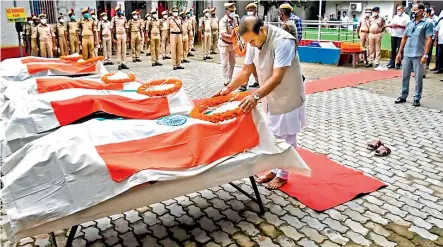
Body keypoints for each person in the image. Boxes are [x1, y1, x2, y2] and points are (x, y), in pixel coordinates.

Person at [214, 16, 306, 189]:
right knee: (273, 134)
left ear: (262, 30)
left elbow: (278, 77)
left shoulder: (283, 41)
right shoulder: (253, 41)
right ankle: (276, 169)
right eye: (248, 42)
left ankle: (284, 174)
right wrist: (228, 89)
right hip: (269, 94)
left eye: (252, 41)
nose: (251, 45)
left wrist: (255, 96)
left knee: (287, 136)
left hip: (288, 95)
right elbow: (246, 71)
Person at [395, 3, 433, 107]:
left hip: (418, 54)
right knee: (405, 76)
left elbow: (429, 39)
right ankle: (403, 95)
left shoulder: (427, 23)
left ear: (421, 11)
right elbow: (404, 38)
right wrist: (399, 52)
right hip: (407, 53)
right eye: (413, 9)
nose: (413, 12)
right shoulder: (410, 23)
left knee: (418, 78)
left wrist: (425, 55)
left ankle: (417, 98)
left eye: (415, 10)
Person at [218, 3, 238, 88]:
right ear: (227, 12)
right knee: (225, 63)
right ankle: (225, 79)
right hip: (224, 44)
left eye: (233, 11)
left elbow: (238, 29)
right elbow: (223, 34)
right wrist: (232, 36)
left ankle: (230, 78)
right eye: (231, 11)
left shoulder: (235, 19)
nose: (233, 12)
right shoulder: (223, 21)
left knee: (233, 62)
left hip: (232, 44)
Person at [387, 5, 409, 69]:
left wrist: (399, 25)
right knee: (393, 50)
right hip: (394, 34)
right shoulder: (395, 16)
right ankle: (391, 63)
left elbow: (407, 26)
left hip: (401, 36)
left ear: (403, 9)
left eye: (399, 9)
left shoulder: (406, 17)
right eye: (397, 10)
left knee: (400, 50)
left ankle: (398, 63)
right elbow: (391, 23)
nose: (398, 11)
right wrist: (391, 25)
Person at [111, 5, 129, 70]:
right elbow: (112, 29)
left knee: (124, 49)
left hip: (123, 34)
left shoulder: (124, 18)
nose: (119, 11)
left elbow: (126, 27)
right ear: (116, 12)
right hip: (117, 35)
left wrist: (127, 37)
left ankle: (124, 63)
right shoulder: (114, 19)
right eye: (118, 10)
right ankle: (119, 64)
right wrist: (113, 38)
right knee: (118, 50)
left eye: (120, 10)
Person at [428, 6, 440, 70]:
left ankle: (437, 65)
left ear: (434, 11)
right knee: (428, 51)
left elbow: (437, 28)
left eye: (432, 10)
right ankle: (427, 63)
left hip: (434, 36)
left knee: (437, 52)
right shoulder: (426, 18)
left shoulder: (437, 18)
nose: (431, 11)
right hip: (428, 36)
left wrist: (436, 39)